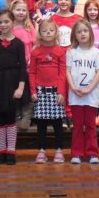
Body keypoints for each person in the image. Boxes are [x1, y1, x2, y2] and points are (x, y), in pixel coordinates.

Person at [0, 10, 27, 165]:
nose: (3, 25)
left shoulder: (19, 44)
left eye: (6, 21)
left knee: (10, 117)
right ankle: (1, 151)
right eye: (0, 22)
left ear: (13, 23)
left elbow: (22, 68)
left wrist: (20, 88)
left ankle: (11, 151)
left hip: (12, 83)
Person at [66, 20, 99, 165]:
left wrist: (89, 89)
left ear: (90, 33)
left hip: (91, 95)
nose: (82, 34)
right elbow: (67, 71)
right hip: (76, 95)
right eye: (79, 32)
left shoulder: (96, 52)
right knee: (77, 125)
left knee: (90, 125)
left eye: (85, 31)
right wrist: (73, 87)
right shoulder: (71, 52)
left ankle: (92, 153)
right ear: (74, 35)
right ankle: (76, 153)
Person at [29, 19, 68, 164]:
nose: (48, 33)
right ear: (39, 33)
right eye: (44, 31)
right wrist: (33, 91)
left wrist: (61, 92)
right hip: (40, 92)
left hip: (56, 92)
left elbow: (62, 73)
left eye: (51, 30)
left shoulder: (60, 51)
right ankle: (41, 150)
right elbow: (32, 72)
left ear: (56, 32)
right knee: (41, 123)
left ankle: (59, 150)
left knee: (57, 123)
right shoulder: (35, 52)